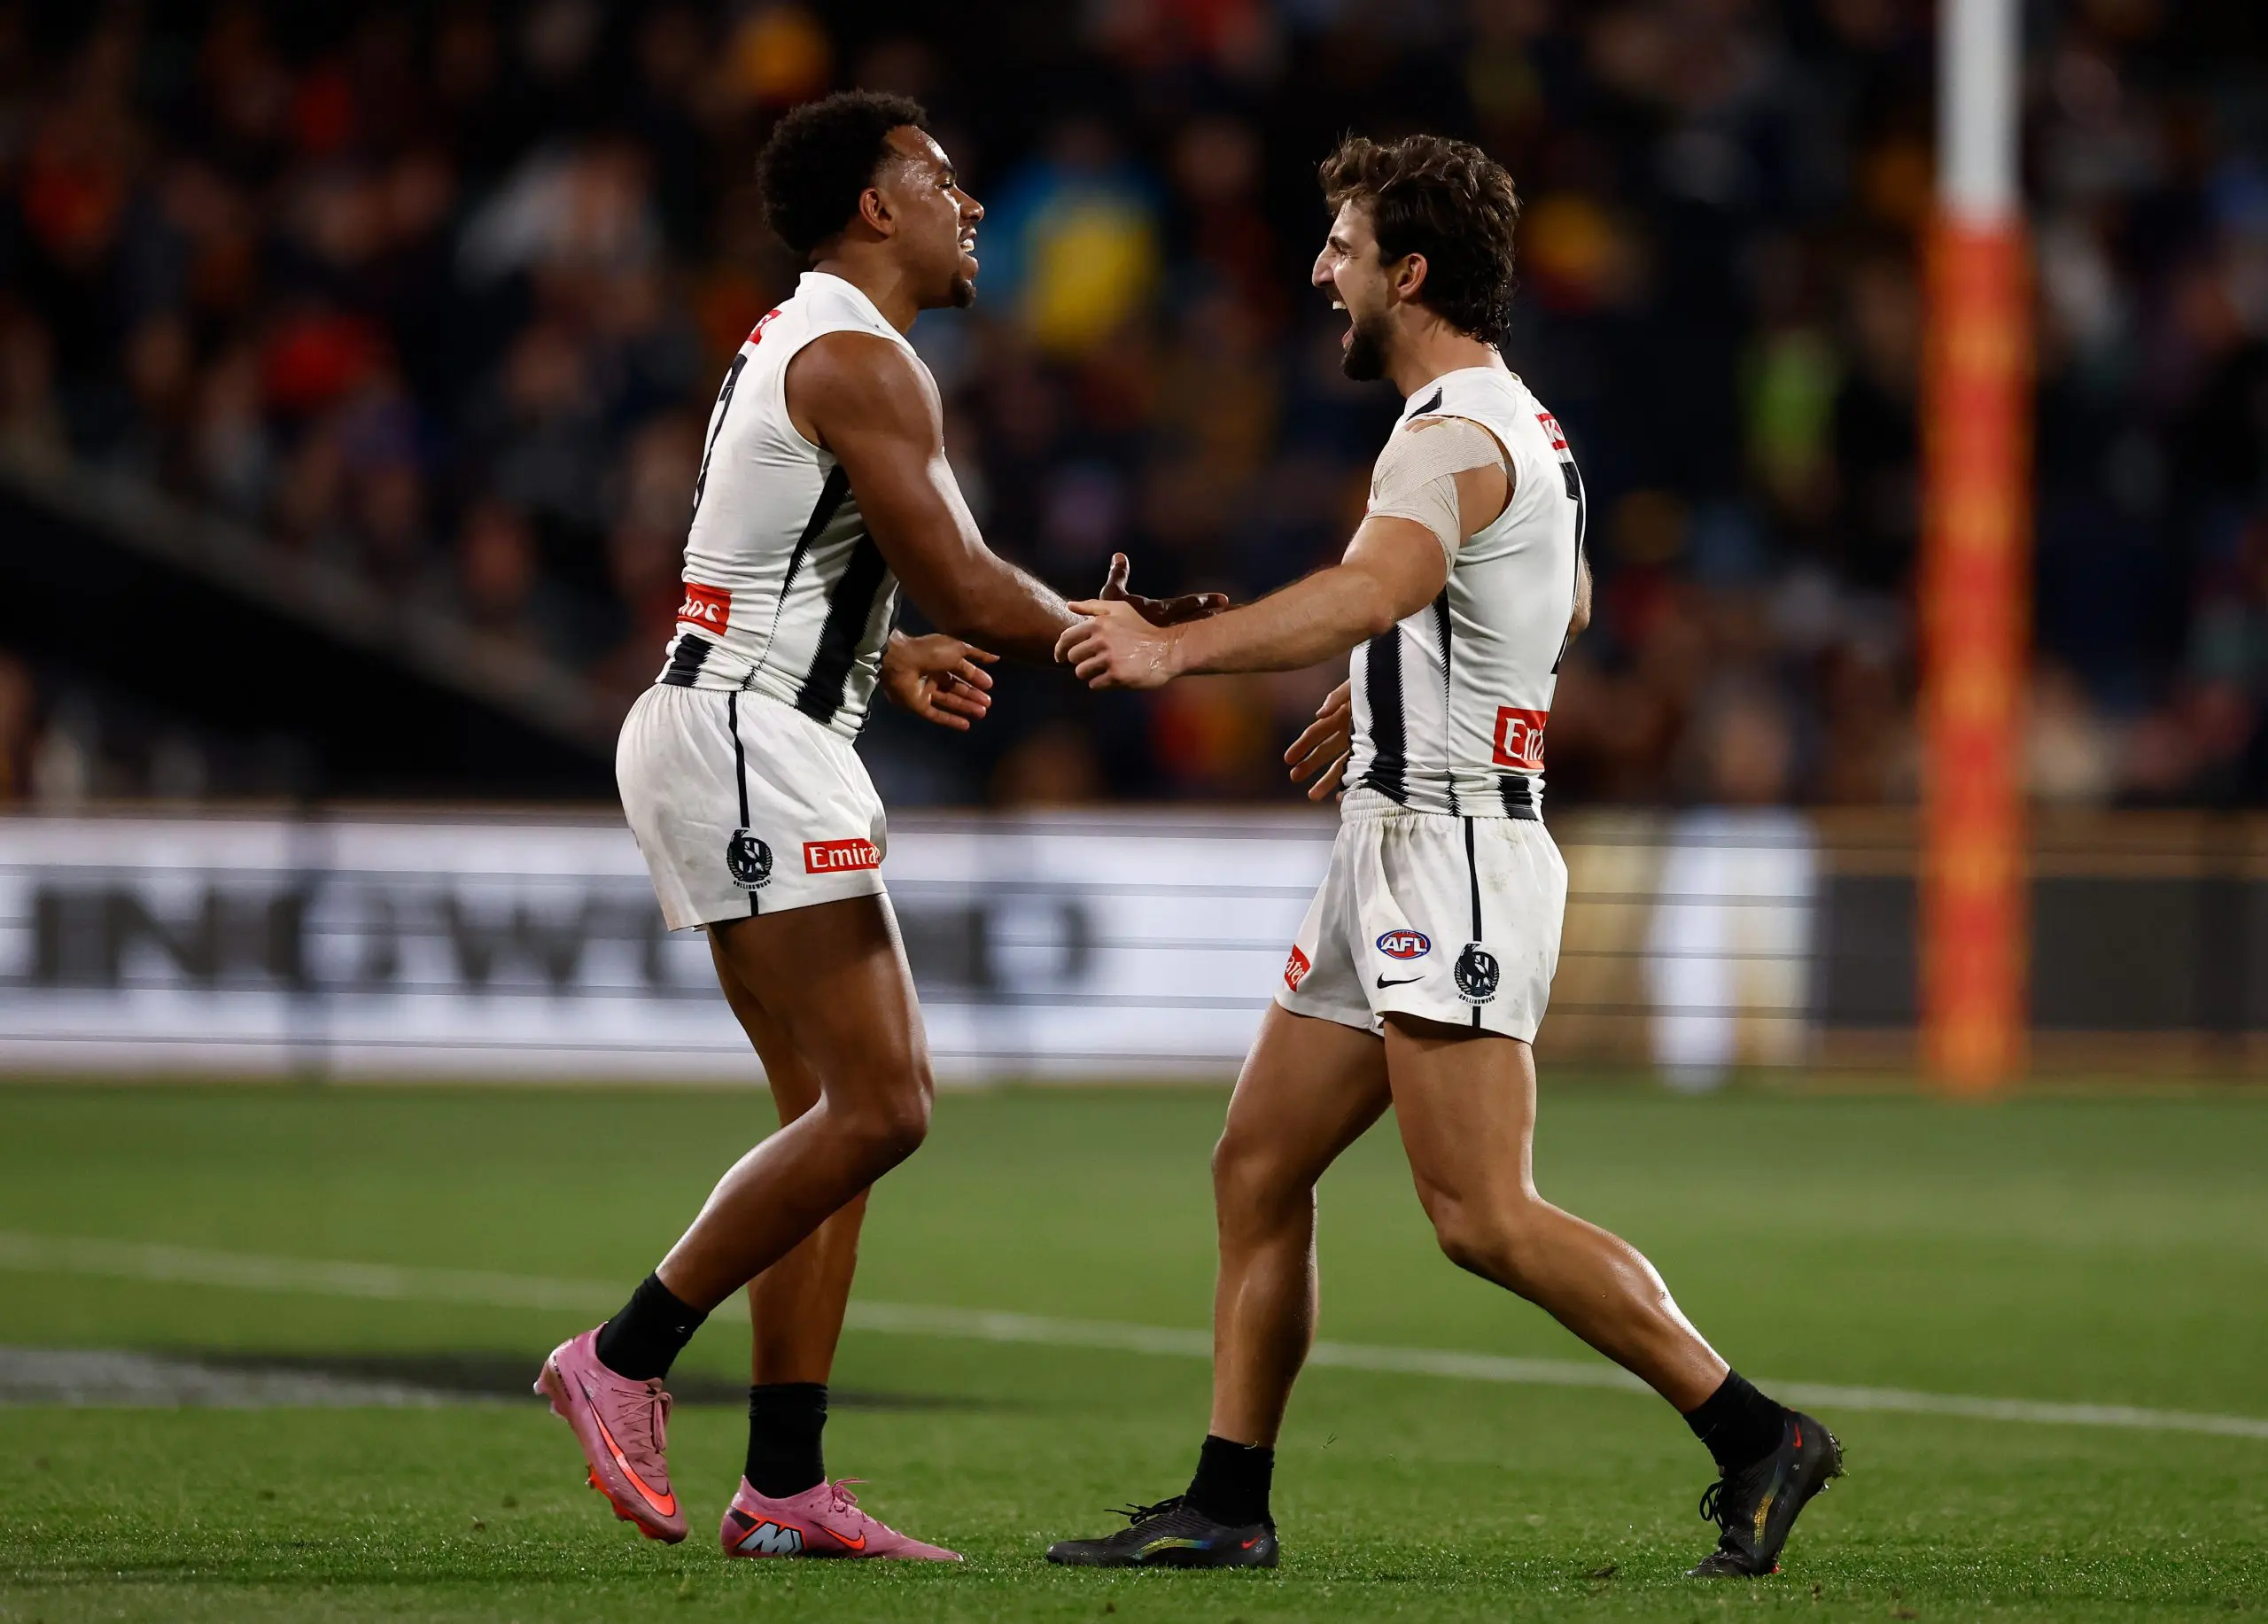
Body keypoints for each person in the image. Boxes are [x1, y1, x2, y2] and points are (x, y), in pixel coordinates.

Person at [1044, 133, 1842, 1580]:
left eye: (1341, 250)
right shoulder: (1517, 426)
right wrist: (1391, 687)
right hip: (1396, 834)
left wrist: (1174, 650)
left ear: (1408, 273)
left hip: (1455, 850)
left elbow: (1376, 582)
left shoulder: (1449, 433)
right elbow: (1563, 599)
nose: (1319, 274)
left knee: (1480, 1216)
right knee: (1255, 1165)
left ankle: (1754, 1433)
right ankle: (1229, 1505)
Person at [535, 90, 1218, 1563]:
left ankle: (782, 1488)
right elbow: (971, 581)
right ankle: (625, 1355)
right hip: (749, 742)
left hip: (747, 722)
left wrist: (873, 646)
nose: (974, 207)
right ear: (875, 206)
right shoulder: (860, 357)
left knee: (831, 1128)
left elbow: (785, 547)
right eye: (945, 180)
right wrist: (1109, 634)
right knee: (886, 1103)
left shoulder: (807, 343)